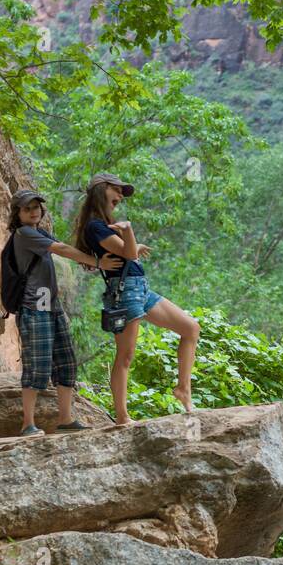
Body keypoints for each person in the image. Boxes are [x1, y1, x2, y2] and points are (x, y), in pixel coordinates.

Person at [71, 173, 200, 425]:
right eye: (116, 191)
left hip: (140, 289)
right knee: (125, 356)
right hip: (124, 291)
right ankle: (122, 416)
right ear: (102, 190)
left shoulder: (105, 225)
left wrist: (132, 242)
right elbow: (128, 253)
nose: (120, 196)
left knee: (190, 328)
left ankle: (183, 389)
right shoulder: (96, 226)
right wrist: (130, 234)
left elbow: (127, 252)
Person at [8, 188, 123, 436]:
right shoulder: (25, 233)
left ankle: (65, 419)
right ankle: (27, 424)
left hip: (51, 305)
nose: (33, 211)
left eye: (36, 207)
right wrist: (97, 262)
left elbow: (62, 250)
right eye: (27, 208)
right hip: (34, 306)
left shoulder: (39, 232)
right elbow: (62, 250)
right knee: (37, 365)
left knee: (66, 361)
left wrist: (87, 260)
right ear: (17, 213)